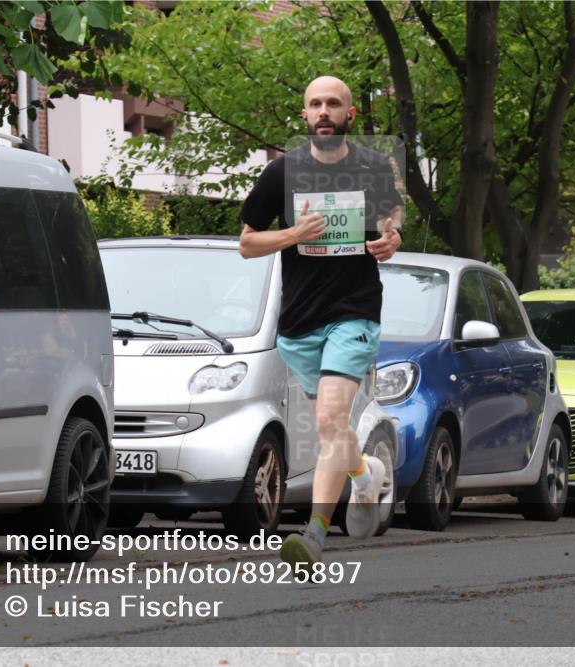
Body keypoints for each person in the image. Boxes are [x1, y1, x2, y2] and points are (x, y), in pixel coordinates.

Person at [239, 75, 403, 572]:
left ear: (350, 114)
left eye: (334, 103)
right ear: (305, 115)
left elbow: (391, 217)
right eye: (315, 104)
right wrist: (294, 233)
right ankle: (364, 472)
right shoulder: (282, 172)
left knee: (332, 419)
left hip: (354, 311)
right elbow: (247, 243)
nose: (324, 110)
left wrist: (390, 239)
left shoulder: (372, 166)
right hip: (299, 322)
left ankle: (313, 535)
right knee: (333, 427)